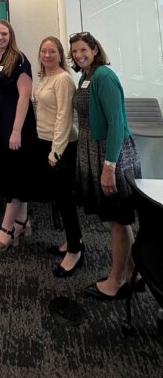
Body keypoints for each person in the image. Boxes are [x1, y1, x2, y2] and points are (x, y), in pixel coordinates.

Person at [69, 31, 141, 299]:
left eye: (83, 50)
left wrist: (109, 166)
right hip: (94, 149)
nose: (79, 55)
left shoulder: (104, 76)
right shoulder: (86, 76)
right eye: (74, 51)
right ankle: (133, 273)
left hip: (111, 153)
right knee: (117, 219)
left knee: (117, 221)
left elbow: (116, 123)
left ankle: (117, 281)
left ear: (95, 50)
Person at [0, 19, 37, 253]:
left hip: (16, 126)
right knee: (15, 174)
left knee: (12, 177)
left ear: (11, 35)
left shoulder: (19, 58)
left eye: (4, 33)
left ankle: (6, 230)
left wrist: (16, 131)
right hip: (0, 125)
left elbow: (25, 96)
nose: (0, 37)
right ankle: (22, 222)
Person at [33, 36, 83, 277]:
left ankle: (75, 251)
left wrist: (56, 151)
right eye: (44, 51)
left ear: (60, 54)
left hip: (62, 145)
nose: (47, 55)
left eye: (52, 51)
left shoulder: (63, 79)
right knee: (60, 199)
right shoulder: (45, 77)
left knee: (66, 200)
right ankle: (72, 240)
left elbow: (65, 117)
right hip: (46, 141)